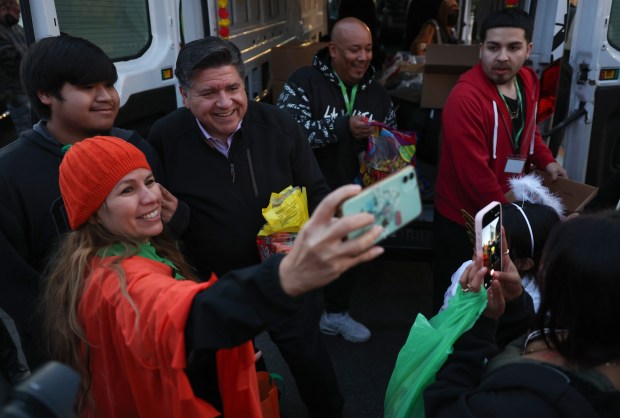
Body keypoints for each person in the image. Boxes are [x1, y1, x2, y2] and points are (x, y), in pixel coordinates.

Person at [43, 135, 384, 417]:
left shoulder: (100, 258)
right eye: (126, 191)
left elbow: (151, 351)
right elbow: (187, 315)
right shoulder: (120, 281)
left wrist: (215, 358)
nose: (151, 197)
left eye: (148, 181)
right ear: (94, 215)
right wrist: (287, 276)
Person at [148, 37, 342, 417]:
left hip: (283, 272)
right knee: (227, 370)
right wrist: (179, 219)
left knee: (310, 359)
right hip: (212, 282)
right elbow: (161, 221)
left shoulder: (279, 127)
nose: (225, 103)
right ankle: (260, 398)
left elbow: (317, 192)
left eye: (233, 88)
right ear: (184, 94)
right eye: (209, 92)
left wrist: (315, 244)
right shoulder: (164, 138)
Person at [0, 35, 174, 370]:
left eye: (109, 84)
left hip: (152, 332)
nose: (106, 97)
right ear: (46, 94)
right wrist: (81, 332)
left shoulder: (134, 147)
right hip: (68, 357)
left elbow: (168, 237)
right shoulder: (10, 174)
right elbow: (14, 284)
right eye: (88, 86)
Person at [433, 8, 567, 313]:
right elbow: (474, 178)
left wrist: (547, 161)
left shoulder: (528, 82)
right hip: (469, 217)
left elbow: (530, 133)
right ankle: (451, 355)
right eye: (493, 48)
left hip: (504, 213)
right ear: (481, 49)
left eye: (513, 47)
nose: (503, 57)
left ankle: (489, 348)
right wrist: (514, 223)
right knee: (458, 296)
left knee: (496, 294)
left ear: (528, 50)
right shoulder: (465, 99)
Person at [424, 211, 620, 417]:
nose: (541, 268)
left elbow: (443, 407)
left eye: (550, 260)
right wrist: (516, 304)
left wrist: (478, 328)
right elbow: (523, 340)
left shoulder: (529, 405)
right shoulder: (582, 332)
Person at [277, 17, 396, 344]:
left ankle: (336, 315)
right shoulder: (304, 81)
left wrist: (380, 150)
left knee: (348, 260)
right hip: (306, 195)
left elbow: (391, 147)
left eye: (368, 49)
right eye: (354, 49)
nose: (363, 57)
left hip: (357, 195)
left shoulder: (378, 94)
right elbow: (287, 136)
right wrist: (341, 126)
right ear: (333, 49)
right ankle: (296, 324)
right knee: (304, 259)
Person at [0, 0, 30, 137]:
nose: (19, 11)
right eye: (16, 7)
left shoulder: (18, 28)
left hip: (30, 88)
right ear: (6, 7)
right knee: (28, 131)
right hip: (16, 94)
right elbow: (10, 62)